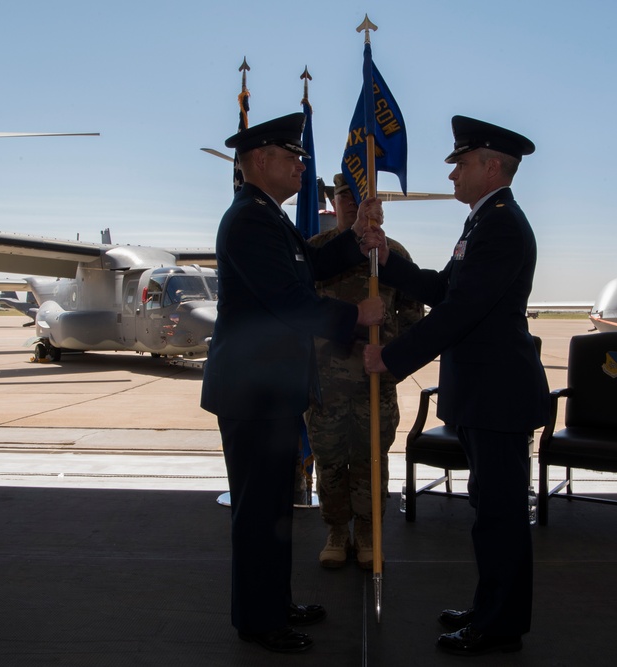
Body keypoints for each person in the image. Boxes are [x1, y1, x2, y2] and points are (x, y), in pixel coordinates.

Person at [200, 112, 386, 654]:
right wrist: (355, 316)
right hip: (254, 393)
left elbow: (308, 261)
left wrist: (354, 238)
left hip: (267, 390)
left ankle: (273, 602)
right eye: (294, 157)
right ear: (261, 160)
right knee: (260, 512)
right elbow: (288, 299)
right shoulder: (251, 221)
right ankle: (259, 620)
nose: (303, 166)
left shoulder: (266, 217)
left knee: (275, 510)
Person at [363, 116, 549, 657]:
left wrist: (392, 358)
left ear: (492, 167)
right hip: (481, 394)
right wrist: (388, 259)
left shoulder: (502, 225)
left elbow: (463, 310)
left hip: (498, 396)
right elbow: (444, 288)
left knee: (500, 516)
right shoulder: (481, 222)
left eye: (461, 164)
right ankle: (490, 607)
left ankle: (500, 626)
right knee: (488, 512)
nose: (452, 175)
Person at [305, 173, 425, 570]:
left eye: (362, 197)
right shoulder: (316, 253)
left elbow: (413, 318)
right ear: (333, 202)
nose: (353, 203)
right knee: (331, 462)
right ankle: (337, 531)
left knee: (372, 461)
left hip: (375, 383)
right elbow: (295, 314)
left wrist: (394, 363)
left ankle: (371, 533)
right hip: (326, 387)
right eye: (344, 196)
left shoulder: (391, 253)